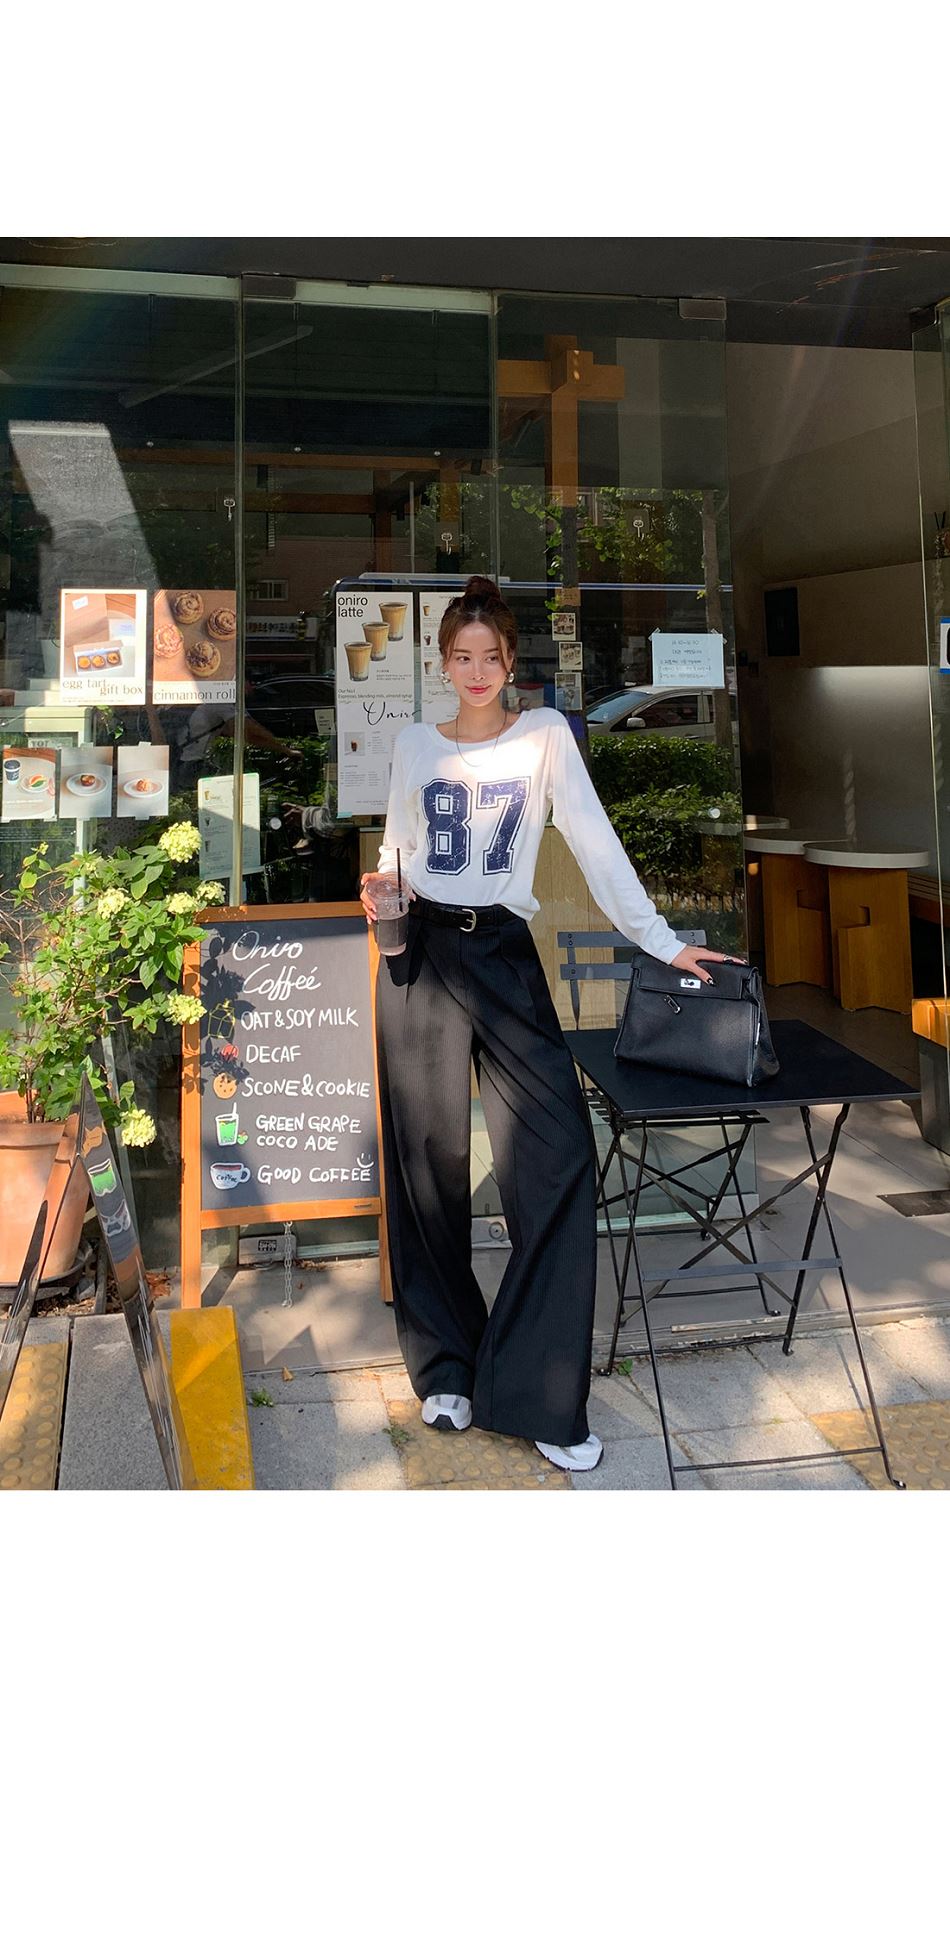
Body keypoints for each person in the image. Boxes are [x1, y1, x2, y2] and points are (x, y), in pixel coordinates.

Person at [361, 576, 734, 1473]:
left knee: (557, 1160)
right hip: (419, 961)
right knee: (425, 1169)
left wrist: (661, 941)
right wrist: (383, 898)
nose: (476, 671)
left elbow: (597, 844)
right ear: (442, 664)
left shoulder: (545, 739)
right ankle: (447, 1364)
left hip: (503, 952)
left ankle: (536, 1389)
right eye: (461, 657)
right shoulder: (414, 744)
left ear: (510, 662)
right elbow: (396, 849)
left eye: (490, 656)